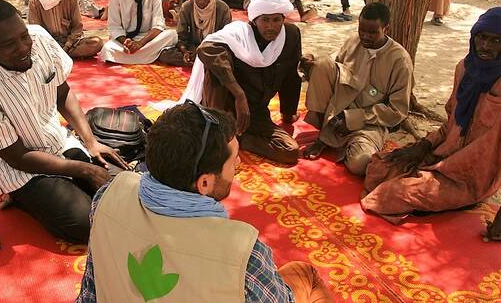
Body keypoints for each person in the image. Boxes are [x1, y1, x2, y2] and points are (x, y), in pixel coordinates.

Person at [75, 102, 334, 302]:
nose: (240, 164)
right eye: (233, 159)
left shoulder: (109, 194)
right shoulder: (243, 253)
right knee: (304, 273)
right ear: (205, 184)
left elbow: (90, 290)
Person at [0, 0, 129, 243]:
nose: (23, 47)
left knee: (123, 192)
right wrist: (84, 169)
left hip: (58, 143)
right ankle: (19, 196)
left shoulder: (39, 38)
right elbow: (17, 156)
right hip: (20, 168)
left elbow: (63, 93)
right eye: (9, 44)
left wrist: (91, 142)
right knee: (85, 224)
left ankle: (65, 184)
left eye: (23, 37)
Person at [361, 7, 501, 225]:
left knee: (391, 195)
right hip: (443, 155)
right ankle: (431, 197)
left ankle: (454, 199)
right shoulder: (464, 68)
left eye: (496, 41)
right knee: (377, 167)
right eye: (482, 38)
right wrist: (423, 146)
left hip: (472, 176)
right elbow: (452, 124)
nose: (486, 46)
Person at [178, 0, 301, 164]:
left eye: (276, 20)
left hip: (256, 112)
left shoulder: (290, 36)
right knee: (216, 69)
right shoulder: (239, 33)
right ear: (254, 21)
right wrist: (239, 95)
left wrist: (288, 113)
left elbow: (290, 76)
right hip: (227, 107)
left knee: (290, 152)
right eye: (265, 20)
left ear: (283, 19)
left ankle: (239, 139)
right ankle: (219, 128)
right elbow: (206, 49)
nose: (271, 26)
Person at [300, 2, 412, 176]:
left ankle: (341, 141)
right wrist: (311, 62)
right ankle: (325, 135)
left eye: (372, 32)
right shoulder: (354, 41)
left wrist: (353, 119)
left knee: (361, 164)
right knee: (321, 64)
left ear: (386, 29)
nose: (365, 37)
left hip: (369, 123)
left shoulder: (400, 60)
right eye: (362, 30)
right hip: (337, 110)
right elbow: (332, 64)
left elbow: (397, 111)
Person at [100, 0, 177, 65]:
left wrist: (140, 44)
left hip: (148, 39)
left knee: (172, 34)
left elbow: (158, 24)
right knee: (107, 48)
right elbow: (114, 26)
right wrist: (126, 42)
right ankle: (152, 55)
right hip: (126, 40)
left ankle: (136, 56)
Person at [28, 0, 103, 59]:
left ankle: (57, 56)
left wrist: (67, 45)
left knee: (96, 42)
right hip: (47, 44)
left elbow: (77, 27)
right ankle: (61, 56)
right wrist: (50, 45)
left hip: (70, 43)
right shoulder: (35, 0)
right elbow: (35, 30)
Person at [158, 0, 231, 67]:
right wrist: (185, 51)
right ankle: (202, 62)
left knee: (228, 56)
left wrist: (204, 50)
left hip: (214, 48)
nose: (201, 1)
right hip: (192, 47)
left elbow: (226, 38)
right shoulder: (187, 7)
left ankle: (200, 61)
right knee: (164, 55)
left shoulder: (223, 9)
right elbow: (181, 36)